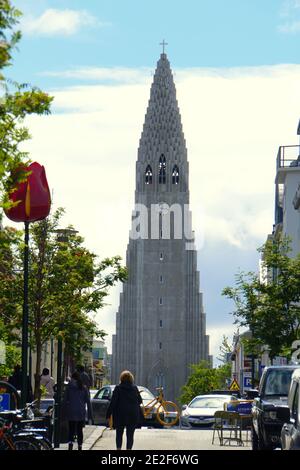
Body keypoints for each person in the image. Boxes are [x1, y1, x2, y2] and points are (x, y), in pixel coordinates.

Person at [106, 370, 142, 450]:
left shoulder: (118, 388)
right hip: (132, 415)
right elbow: (140, 401)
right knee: (130, 435)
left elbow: (113, 403)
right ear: (131, 379)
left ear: (121, 379)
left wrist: (108, 415)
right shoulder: (134, 388)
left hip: (120, 415)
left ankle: (118, 449)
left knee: (119, 433)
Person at [62, 371, 93, 451]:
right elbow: (88, 402)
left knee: (71, 429)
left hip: (71, 411)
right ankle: (80, 446)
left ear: (72, 378)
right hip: (81, 412)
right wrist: (90, 415)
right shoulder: (83, 387)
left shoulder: (69, 387)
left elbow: (65, 400)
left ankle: (70, 445)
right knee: (80, 430)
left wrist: (63, 412)